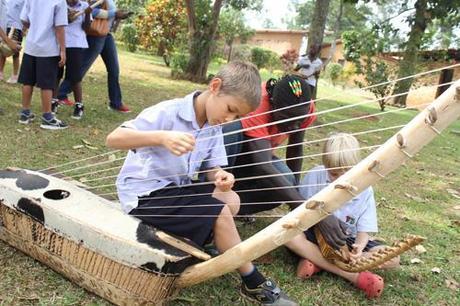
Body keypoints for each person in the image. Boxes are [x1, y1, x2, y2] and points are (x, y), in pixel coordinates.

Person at [106, 61, 297, 306]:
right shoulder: (169, 112)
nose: (230, 119)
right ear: (215, 86)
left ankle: (217, 242)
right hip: (143, 195)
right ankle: (252, 280)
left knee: (231, 199)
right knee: (220, 214)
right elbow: (114, 138)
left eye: (237, 116)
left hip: (174, 190)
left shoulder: (213, 126)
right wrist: (162, 137)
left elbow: (212, 169)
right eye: (230, 109)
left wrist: (220, 177)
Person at [221, 74, 350, 251]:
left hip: (256, 160)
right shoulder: (259, 103)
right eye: (287, 118)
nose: (295, 126)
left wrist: (295, 194)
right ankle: (213, 203)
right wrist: (310, 212)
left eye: (300, 120)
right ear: (273, 104)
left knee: (286, 183)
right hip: (228, 160)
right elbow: (263, 166)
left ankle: (232, 210)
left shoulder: (304, 107)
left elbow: (295, 148)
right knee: (231, 129)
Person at [285, 133, 400, 299]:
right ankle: (353, 275)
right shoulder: (315, 175)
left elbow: (363, 231)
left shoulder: (365, 188)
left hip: (347, 242)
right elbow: (298, 212)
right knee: (290, 237)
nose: (339, 180)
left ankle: (318, 262)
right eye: (333, 174)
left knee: (392, 257)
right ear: (325, 166)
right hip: (315, 236)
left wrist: (359, 248)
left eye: (346, 173)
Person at [56, 0, 131, 113]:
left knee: (114, 70)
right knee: (81, 68)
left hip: (107, 34)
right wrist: (113, 13)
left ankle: (116, 102)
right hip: (96, 35)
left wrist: (119, 16)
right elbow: (91, 11)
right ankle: (61, 94)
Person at [18, 0, 68, 129]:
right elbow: (59, 27)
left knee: (27, 81)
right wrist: (63, 50)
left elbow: (24, 20)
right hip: (48, 47)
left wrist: (36, 26)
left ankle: (25, 113)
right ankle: (47, 117)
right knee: (47, 83)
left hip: (31, 45)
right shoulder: (59, 1)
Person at [52, 0, 92, 120]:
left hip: (75, 44)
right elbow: (55, 23)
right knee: (56, 74)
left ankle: (79, 105)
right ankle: (53, 102)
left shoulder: (84, 6)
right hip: (58, 43)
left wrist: (88, 14)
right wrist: (68, 17)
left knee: (75, 77)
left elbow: (87, 29)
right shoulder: (59, 4)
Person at [0, 0, 25, 84]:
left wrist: (24, 28)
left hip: (16, 26)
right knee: (2, 49)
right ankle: (0, 72)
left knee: (15, 52)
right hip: (5, 24)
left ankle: (15, 75)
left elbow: (26, 12)